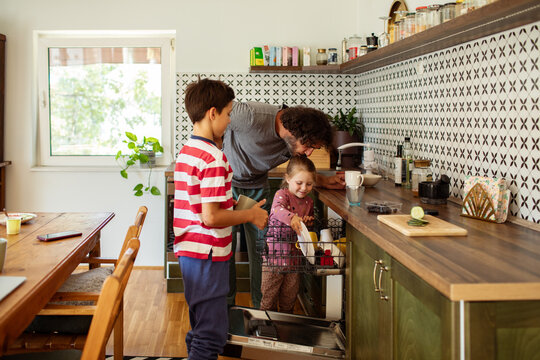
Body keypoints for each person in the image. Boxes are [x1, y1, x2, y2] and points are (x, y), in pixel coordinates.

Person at [174, 79, 268, 360]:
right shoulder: (214, 158)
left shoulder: (188, 151)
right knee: (211, 335)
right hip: (209, 255)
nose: (229, 121)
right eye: (228, 113)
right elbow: (212, 217)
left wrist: (236, 205)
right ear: (213, 113)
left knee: (200, 327)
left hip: (190, 253)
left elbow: (200, 205)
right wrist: (250, 214)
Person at [222, 101, 345, 308]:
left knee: (262, 254)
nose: (309, 153)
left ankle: (262, 313)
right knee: (225, 252)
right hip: (226, 186)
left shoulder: (293, 146)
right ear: (294, 132)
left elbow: (298, 170)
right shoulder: (250, 115)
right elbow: (212, 119)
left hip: (256, 189)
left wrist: (323, 181)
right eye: (309, 146)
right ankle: (225, 310)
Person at [260, 155, 316, 313]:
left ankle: (285, 329)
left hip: (295, 261)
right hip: (274, 260)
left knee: (289, 298)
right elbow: (277, 210)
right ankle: (265, 328)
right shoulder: (281, 195)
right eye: (299, 183)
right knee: (268, 299)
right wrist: (293, 219)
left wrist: (308, 222)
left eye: (309, 184)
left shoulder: (309, 202)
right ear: (288, 178)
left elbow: (307, 230)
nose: (304, 188)